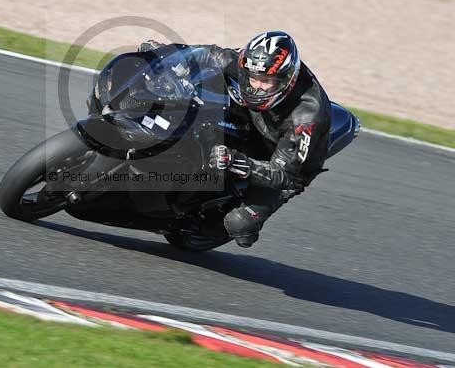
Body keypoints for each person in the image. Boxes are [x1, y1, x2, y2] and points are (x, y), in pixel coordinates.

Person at [139, 31, 331, 247]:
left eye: (266, 81)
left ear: (287, 80)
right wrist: (166, 53)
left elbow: (284, 175)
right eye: (253, 78)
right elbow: (209, 54)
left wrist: (238, 162)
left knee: (238, 225)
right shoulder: (251, 66)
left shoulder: (306, 117)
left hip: (285, 161)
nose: (256, 86)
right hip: (255, 119)